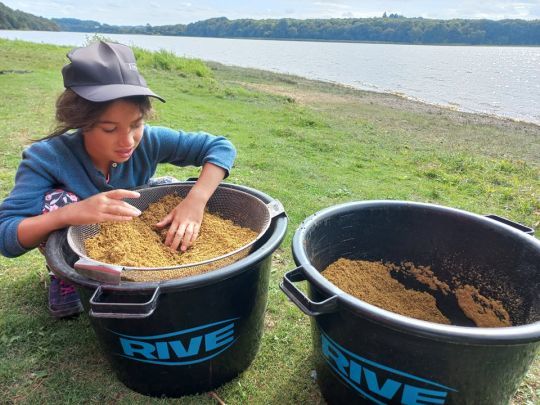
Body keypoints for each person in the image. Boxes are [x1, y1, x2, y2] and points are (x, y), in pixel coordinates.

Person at [0, 41, 236, 318]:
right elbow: (6, 234)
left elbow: (221, 148)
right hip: (79, 238)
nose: (127, 141)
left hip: (128, 235)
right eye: (110, 129)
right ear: (81, 122)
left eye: (136, 124)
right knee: (57, 203)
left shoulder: (148, 141)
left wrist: (195, 202)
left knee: (170, 186)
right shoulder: (46, 157)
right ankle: (65, 276)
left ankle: (134, 274)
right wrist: (70, 214)